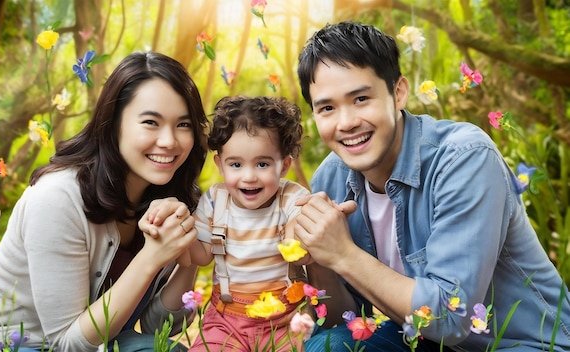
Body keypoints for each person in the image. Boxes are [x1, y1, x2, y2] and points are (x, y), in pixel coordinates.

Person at [293, 21, 570, 351]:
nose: (346, 122)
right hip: (422, 342)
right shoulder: (330, 179)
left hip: (520, 345)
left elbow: (451, 318)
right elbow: (345, 322)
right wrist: (319, 259)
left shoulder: (464, 159)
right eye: (327, 108)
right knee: (330, 346)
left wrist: (343, 253)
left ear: (398, 92)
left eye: (361, 98)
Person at [0, 51, 209, 352]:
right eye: (150, 122)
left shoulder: (170, 199)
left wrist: (191, 254)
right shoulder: (57, 198)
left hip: (97, 343)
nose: (169, 141)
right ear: (113, 123)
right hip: (1, 342)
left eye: (183, 125)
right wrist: (151, 257)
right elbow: (66, 344)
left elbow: (158, 329)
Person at [186, 96, 310, 351]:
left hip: (284, 321)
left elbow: (298, 244)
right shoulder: (214, 201)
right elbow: (201, 256)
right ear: (220, 165)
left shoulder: (291, 198)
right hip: (225, 320)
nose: (249, 176)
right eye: (236, 164)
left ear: (284, 165)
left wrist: (296, 235)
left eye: (263, 164)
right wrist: (181, 234)